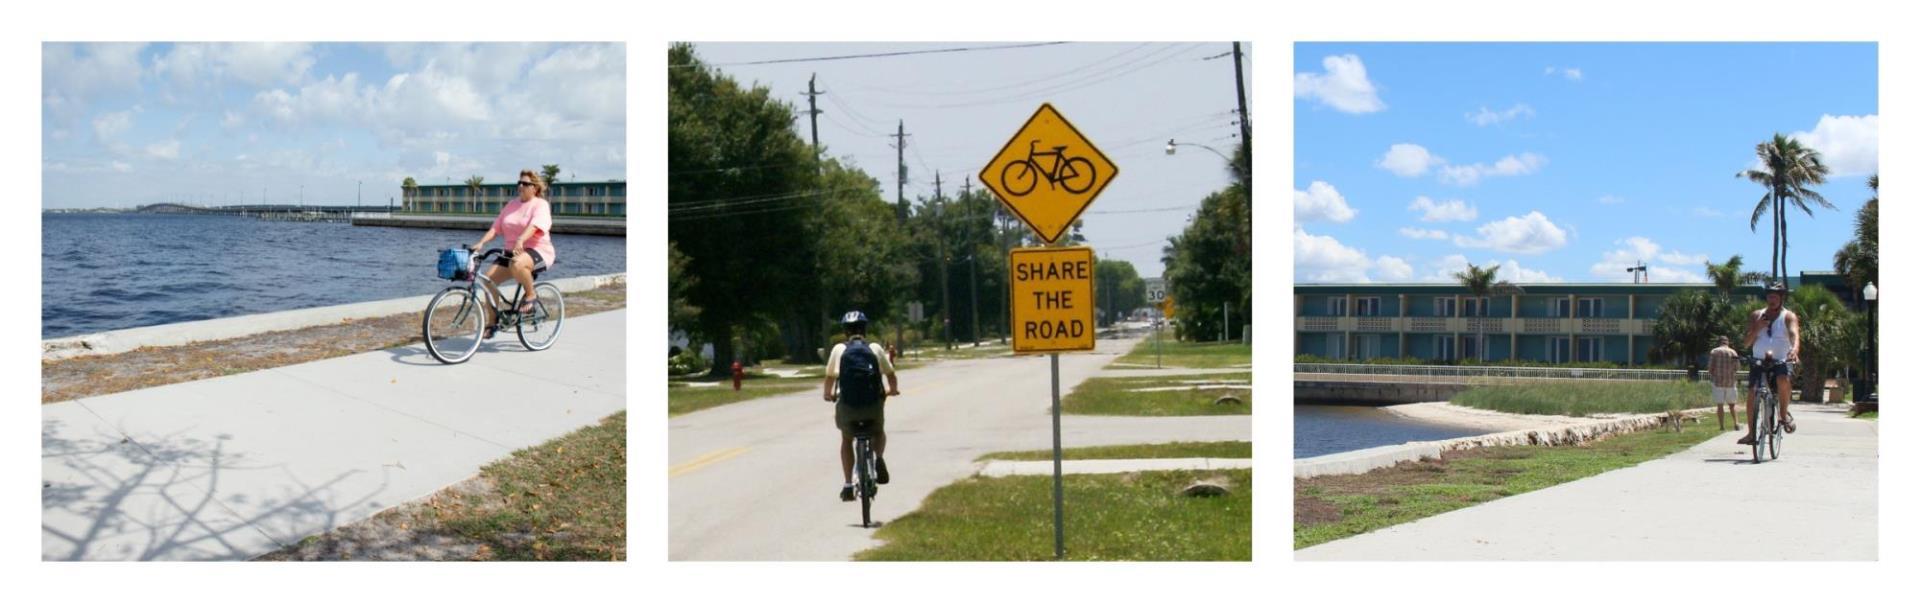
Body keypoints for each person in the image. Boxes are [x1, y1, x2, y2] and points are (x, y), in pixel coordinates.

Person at [823, 311, 900, 501]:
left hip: (848, 407)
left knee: (847, 440)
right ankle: (879, 458)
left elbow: (829, 379)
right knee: (879, 432)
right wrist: (893, 390)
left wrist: (828, 394)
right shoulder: (874, 348)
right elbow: (890, 375)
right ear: (865, 329)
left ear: (845, 331)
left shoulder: (838, 350)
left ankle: (848, 484)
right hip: (873, 406)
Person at [470, 169, 556, 338]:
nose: (521, 186)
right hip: (513, 252)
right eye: (519, 183)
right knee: (488, 281)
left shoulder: (541, 205)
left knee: (517, 263)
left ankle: (531, 295)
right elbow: (496, 228)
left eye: (526, 183)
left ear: (535, 188)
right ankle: (492, 323)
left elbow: (535, 226)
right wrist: (481, 243)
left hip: (538, 251)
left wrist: (521, 239)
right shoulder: (511, 205)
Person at [1739, 281, 1799, 445]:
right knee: (1752, 392)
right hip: (1759, 360)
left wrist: (1794, 350)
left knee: (1782, 379)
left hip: (1781, 360)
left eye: (1775, 296)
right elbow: (1746, 343)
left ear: (1781, 298)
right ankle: (1751, 433)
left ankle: (1783, 414)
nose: (1771, 299)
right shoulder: (1756, 315)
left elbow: (1794, 334)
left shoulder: (1788, 316)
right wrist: (1757, 328)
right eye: (1769, 296)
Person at [1707, 335, 1741, 432]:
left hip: (1718, 382)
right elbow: (1737, 367)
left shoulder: (1714, 352)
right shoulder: (1733, 352)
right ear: (1727, 342)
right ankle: (1736, 423)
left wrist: (1714, 373)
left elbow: (1710, 368)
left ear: (1719, 342)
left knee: (1720, 405)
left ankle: (1722, 426)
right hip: (1730, 381)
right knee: (1732, 405)